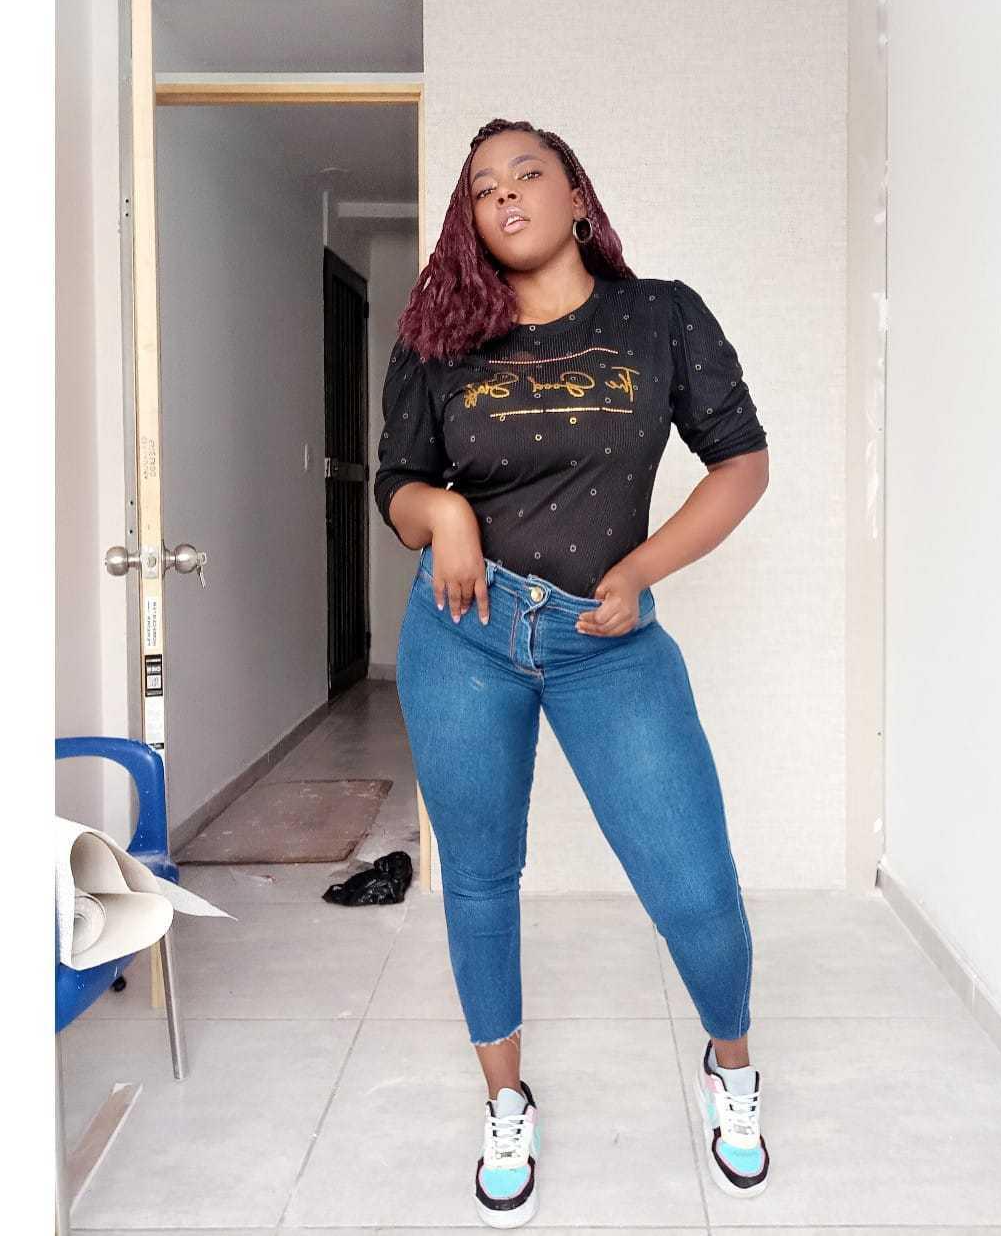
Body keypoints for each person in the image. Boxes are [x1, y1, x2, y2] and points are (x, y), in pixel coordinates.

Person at [374, 117, 772, 1225]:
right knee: (479, 876)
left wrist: (641, 568)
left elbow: (741, 461)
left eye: (527, 173)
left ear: (576, 196)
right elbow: (396, 484)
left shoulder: (660, 317)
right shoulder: (437, 339)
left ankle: (730, 1066)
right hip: (464, 631)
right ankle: (506, 1100)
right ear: (470, 218)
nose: (504, 194)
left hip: (605, 635)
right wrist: (445, 513)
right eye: (482, 186)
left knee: (694, 884)